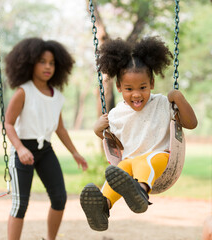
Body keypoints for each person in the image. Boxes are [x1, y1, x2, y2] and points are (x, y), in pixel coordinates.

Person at [80, 36, 198, 231]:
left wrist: (179, 98)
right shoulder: (116, 114)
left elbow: (191, 123)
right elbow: (112, 142)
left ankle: (140, 193)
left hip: (162, 160)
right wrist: (98, 129)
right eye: (129, 89)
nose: (136, 94)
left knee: (146, 161)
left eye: (142, 87)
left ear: (151, 83)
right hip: (131, 166)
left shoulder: (162, 103)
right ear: (119, 88)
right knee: (120, 169)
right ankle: (103, 206)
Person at [4, 37, 88, 240]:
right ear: (30, 62)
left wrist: (75, 152)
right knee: (20, 204)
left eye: (51, 63)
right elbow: (8, 123)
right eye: (42, 61)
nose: (47, 66)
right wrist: (20, 148)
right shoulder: (24, 92)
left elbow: (60, 128)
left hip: (45, 150)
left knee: (59, 198)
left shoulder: (57, 96)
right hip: (23, 150)